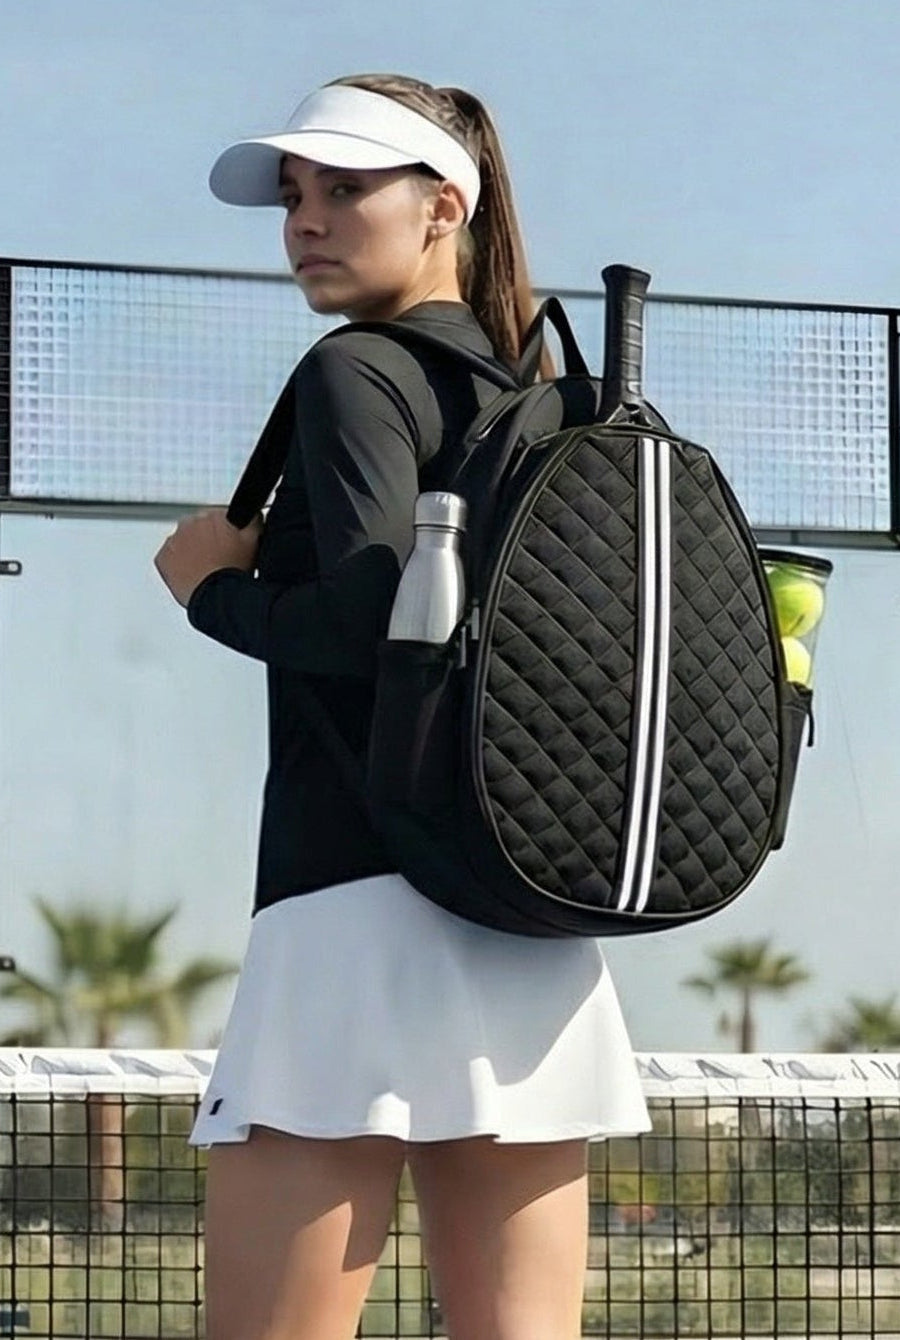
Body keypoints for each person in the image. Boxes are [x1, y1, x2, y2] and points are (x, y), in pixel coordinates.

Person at [154, 73, 651, 1340]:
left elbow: (373, 627)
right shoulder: (551, 397)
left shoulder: (355, 370)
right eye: (293, 195)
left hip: (354, 914)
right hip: (530, 917)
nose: (305, 220)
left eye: (344, 187)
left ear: (444, 206)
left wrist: (212, 589)